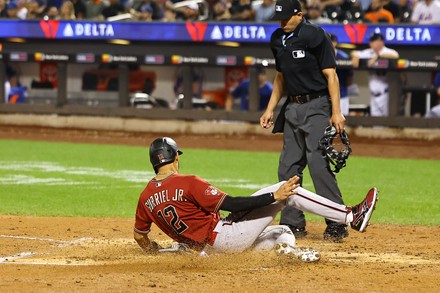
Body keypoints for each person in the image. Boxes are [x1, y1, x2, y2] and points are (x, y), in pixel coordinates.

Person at [133, 137, 378, 260]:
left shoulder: (145, 197)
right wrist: (274, 196)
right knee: (286, 188)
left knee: (282, 230)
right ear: (175, 157)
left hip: (209, 253)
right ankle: (351, 216)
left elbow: (139, 236)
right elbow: (232, 204)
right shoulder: (187, 182)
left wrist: (153, 251)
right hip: (226, 238)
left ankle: (287, 252)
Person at [259, 0, 348, 242]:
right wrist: (270, 109)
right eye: (279, 18)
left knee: (319, 166)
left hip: (318, 105)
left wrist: (336, 112)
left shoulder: (315, 34)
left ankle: (337, 222)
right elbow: (280, 78)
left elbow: (331, 75)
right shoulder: (277, 38)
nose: (282, 22)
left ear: (299, 14)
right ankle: (292, 223)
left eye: (287, 17)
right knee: (287, 168)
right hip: (292, 109)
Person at [350, 32, 399, 117]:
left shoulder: (386, 51)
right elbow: (354, 52)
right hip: (373, 95)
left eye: (373, 41)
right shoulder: (369, 52)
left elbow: (395, 55)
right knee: (376, 124)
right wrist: (355, 57)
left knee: (385, 122)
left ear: (380, 42)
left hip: (384, 94)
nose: (370, 43)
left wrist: (378, 56)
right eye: (371, 41)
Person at [329, 33, 354, 116]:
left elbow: (350, 76)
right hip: (325, 96)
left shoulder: (343, 57)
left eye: (331, 41)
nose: (330, 44)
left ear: (335, 43)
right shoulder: (322, 55)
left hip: (342, 94)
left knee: (342, 122)